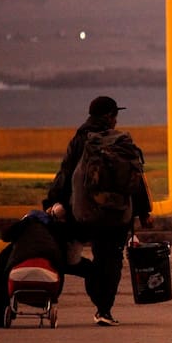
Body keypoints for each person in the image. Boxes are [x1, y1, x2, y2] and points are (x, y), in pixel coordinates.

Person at [42, 96, 152, 326]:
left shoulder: (80, 139)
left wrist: (51, 202)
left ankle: (92, 277)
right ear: (110, 116)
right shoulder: (122, 142)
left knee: (67, 256)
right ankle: (104, 310)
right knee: (111, 260)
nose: (115, 120)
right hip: (117, 214)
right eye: (115, 116)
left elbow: (65, 174)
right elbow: (137, 178)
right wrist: (143, 212)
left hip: (83, 213)